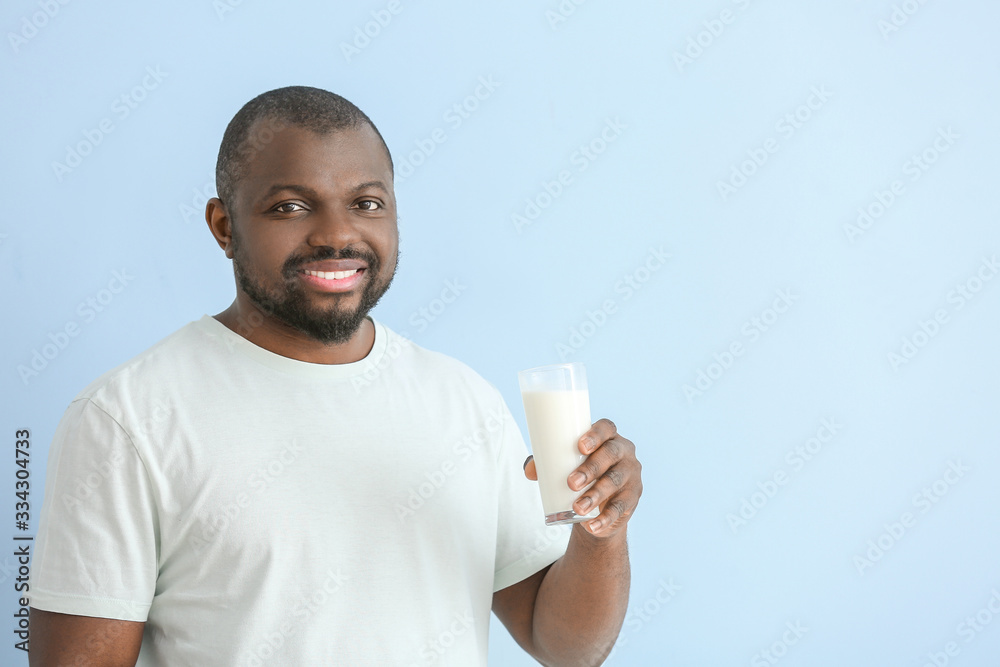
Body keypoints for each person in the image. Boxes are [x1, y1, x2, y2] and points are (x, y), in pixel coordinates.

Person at [27, 86, 643, 666]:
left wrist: (601, 533)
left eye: (366, 203)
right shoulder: (126, 418)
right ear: (223, 227)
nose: (336, 235)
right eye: (289, 206)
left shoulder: (463, 401)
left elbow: (563, 645)